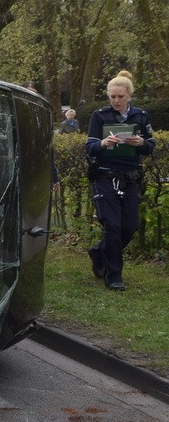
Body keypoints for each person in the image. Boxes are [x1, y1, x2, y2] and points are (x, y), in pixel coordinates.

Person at [84, 70, 156, 290]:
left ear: (130, 95)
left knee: (130, 226)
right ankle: (114, 275)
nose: (116, 101)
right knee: (112, 225)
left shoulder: (141, 116)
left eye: (120, 97)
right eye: (112, 96)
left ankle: (98, 252)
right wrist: (104, 144)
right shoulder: (99, 115)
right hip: (105, 176)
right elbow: (90, 147)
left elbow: (151, 147)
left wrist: (141, 143)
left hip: (130, 178)